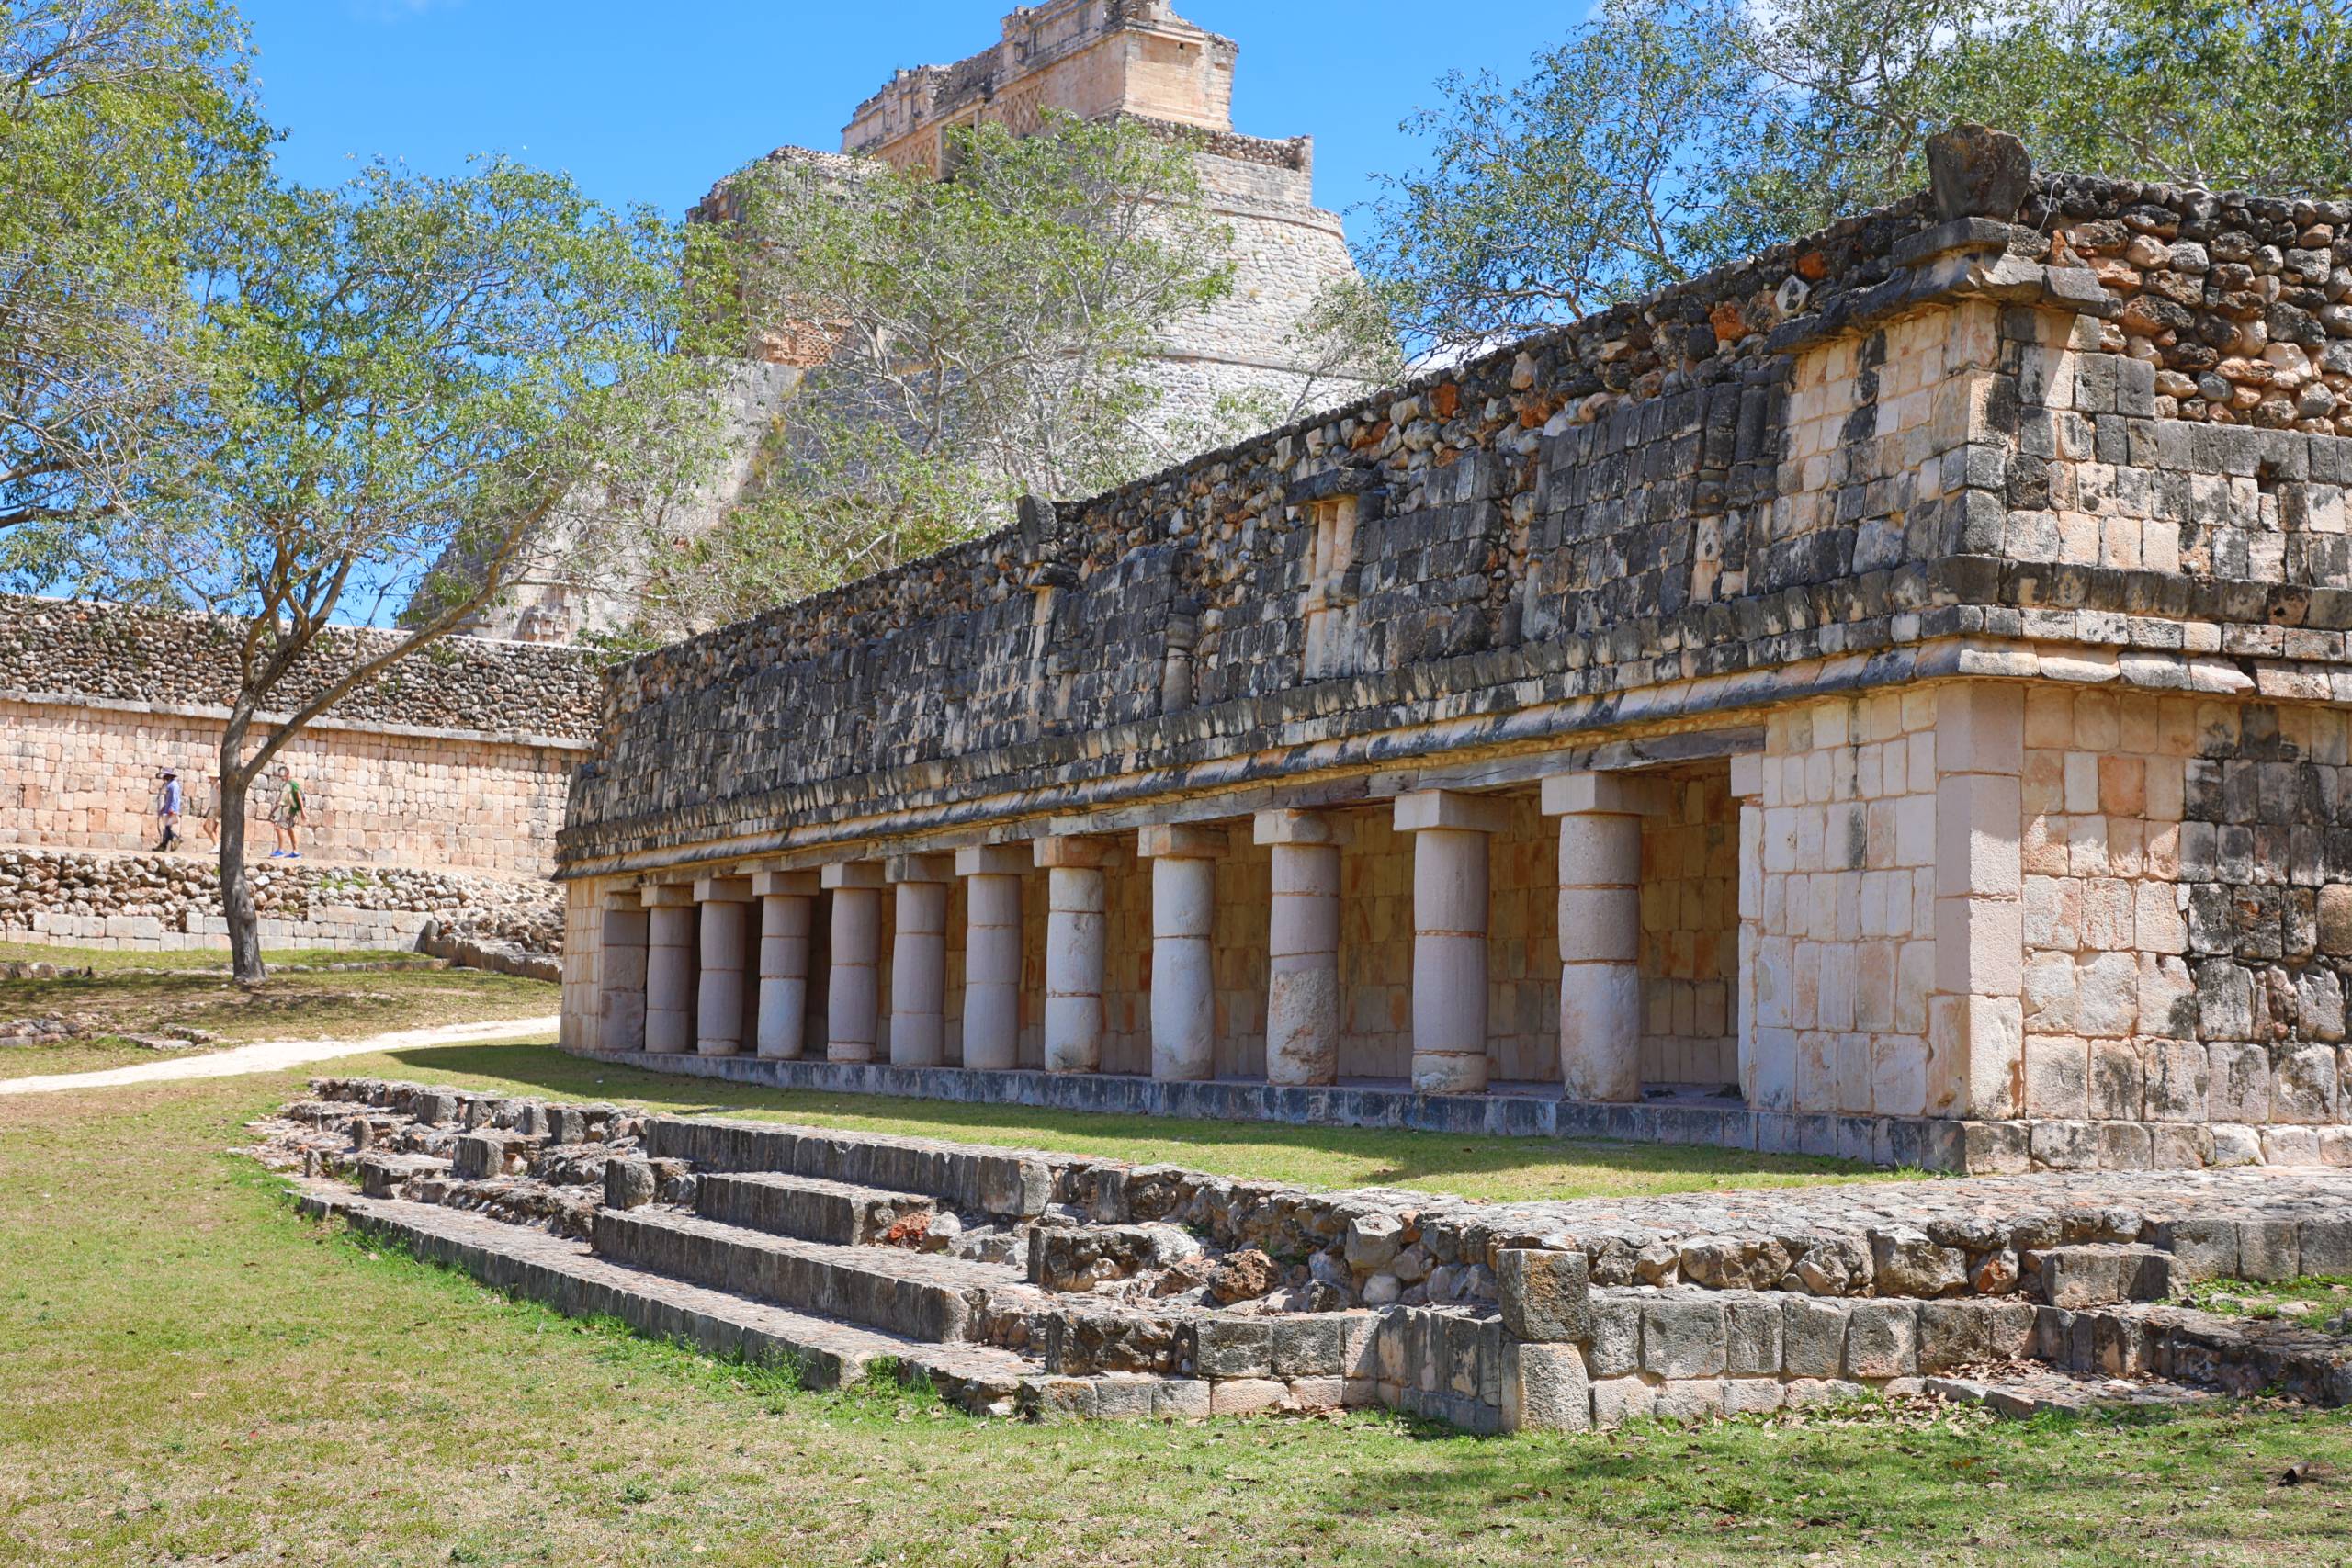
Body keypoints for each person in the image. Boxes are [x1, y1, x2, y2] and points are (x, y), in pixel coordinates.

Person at [268, 765, 304, 859]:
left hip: (290, 811)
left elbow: (299, 798)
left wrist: (303, 812)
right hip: (287, 811)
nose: (281, 777)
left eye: (283, 775)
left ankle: (280, 850)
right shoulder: (285, 785)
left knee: (278, 827)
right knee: (290, 829)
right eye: (280, 775)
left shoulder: (292, 784)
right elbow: (282, 801)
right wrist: (273, 811)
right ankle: (296, 852)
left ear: (288, 774)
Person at [154, 769, 182, 852]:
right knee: (167, 827)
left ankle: (175, 838)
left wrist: (172, 809)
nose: (163, 777)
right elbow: (168, 799)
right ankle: (164, 845)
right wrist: (163, 808)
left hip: (171, 809)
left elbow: (174, 798)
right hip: (168, 808)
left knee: (167, 828)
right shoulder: (170, 784)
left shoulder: (173, 785)